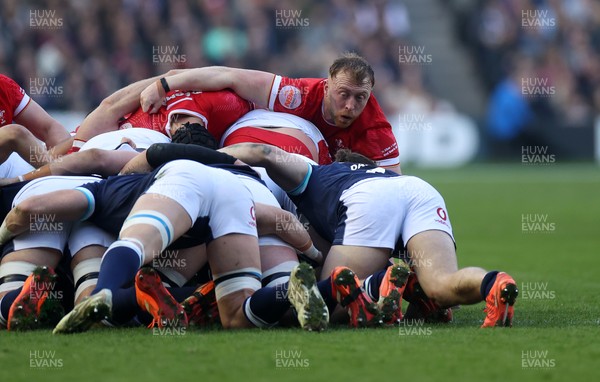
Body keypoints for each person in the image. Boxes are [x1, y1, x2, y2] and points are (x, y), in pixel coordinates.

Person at [219, 143, 519, 328]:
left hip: (367, 200)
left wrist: (202, 156)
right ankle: (493, 282)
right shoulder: (386, 175)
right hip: (420, 189)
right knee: (441, 287)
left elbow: (263, 152)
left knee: (322, 306)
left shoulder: (321, 172)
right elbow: (449, 304)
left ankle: (379, 285)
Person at [139, 52, 402, 173]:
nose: (350, 106)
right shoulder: (299, 95)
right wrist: (165, 84)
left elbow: (393, 188)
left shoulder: (375, 130)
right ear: (327, 84)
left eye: (361, 98)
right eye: (343, 94)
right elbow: (230, 76)